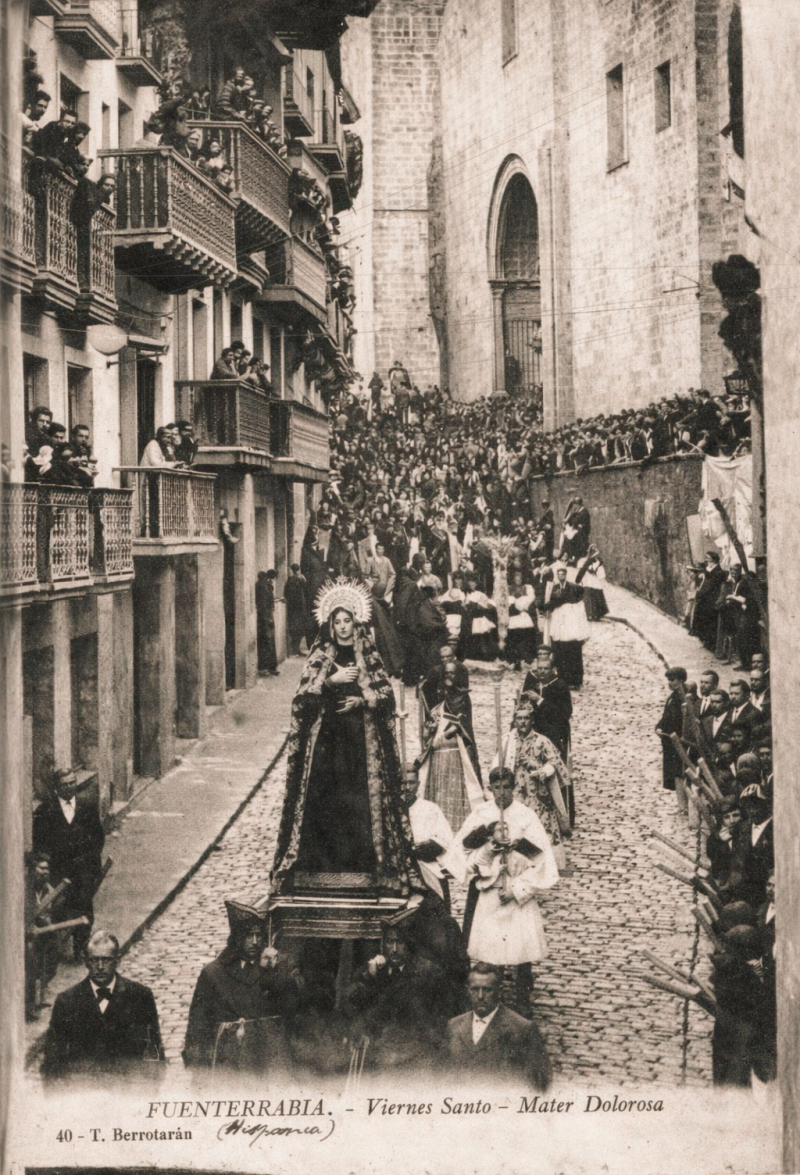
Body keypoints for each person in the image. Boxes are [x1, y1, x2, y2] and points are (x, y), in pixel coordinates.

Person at [271, 579, 423, 896]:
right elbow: (302, 700)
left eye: (347, 620)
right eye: (337, 622)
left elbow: (386, 696)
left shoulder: (367, 652)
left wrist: (362, 700)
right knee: (327, 804)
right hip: (326, 745)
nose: (342, 627)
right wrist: (330, 680)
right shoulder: (321, 655)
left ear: (356, 620)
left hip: (360, 744)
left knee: (360, 806)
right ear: (330, 623)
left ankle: (367, 872)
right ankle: (320, 874)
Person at [445, 767, 559, 1013]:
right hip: (490, 892)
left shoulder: (526, 817)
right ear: (490, 789)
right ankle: (490, 998)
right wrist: (488, 850)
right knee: (490, 949)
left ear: (514, 787)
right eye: (497, 788)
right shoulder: (481, 814)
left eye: (507, 787)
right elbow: (463, 852)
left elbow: (541, 861)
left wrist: (518, 888)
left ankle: (522, 997)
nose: (502, 793)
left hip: (517, 892)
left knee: (520, 948)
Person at [183, 901, 300, 1072]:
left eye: (258, 935)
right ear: (236, 937)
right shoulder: (213, 973)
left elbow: (293, 1005)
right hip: (229, 1061)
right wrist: (196, 1065)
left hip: (268, 1062)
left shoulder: (279, 965)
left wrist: (273, 973)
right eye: (247, 936)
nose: (254, 942)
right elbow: (198, 1024)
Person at [42, 930, 164, 1080]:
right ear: (85, 961)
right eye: (94, 960)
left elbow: (154, 1052)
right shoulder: (67, 1001)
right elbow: (52, 1062)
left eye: (106, 960)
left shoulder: (140, 996)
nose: (100, 966)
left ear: (117, 961)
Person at [33, 767, 104, 960]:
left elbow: (98, 837)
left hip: (83, 869)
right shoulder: (45, 810)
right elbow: (39, 841)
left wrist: (91, 864)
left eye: (72, 782)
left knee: (83, 906)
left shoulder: (87, 806)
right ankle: (57, 949)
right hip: (58, 870)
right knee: (60, 908)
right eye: (65, 784)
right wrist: (45, 862)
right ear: (56, 788)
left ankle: (81, 948)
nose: (70, 787)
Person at [442, 963, 551, 1089]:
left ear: (499, 991)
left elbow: (540, 1082)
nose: (481, 996)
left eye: (487, 990)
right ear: (468, 990)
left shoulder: (522, 1029)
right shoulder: (454, 1026)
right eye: (475, 989)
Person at [497, 702, 571, 868]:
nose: (522, 722)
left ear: (532, 721)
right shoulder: (508, 742)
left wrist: (539, 768)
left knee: (540, 826)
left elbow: (554, 764)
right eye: (519, 718)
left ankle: (543, 862)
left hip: (538, 794)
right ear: (514, 721)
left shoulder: (542, 741)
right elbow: (497, 763)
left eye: (526, 718)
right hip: (516, 792)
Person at [419, 661, 484, 833]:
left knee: (455, 795)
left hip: (454, 755)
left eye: (452, 673)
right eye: (446, 673)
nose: (449, 676)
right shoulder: (436, 696)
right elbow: (428, 729)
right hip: (437, 757)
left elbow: (461, 725)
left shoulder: (461, 697)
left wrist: (444, 734)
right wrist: (429, 730)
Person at [404, 765, 455, 909]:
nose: (407, 787)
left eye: (411, 782)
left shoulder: (430, 809)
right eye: (403, 782)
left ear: (418, 784)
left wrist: (428, 845)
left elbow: (445, 841)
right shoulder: (391, 810)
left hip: (426, 866)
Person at [521, 647, 573, 763]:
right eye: (540, 669)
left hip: (553, 731)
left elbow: (565, 713)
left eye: (546, 669)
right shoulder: (533, 684)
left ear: (553, 669)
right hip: (534, 729)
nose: (542, 672)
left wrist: (540, 701)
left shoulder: (560, 686)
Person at [542, 565, 589, 688]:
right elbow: (552, 601)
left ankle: (575, 680)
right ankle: (563, 679)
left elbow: (576, 597)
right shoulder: (555, 588)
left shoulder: (572, 589)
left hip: (569, 623)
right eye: (559, 575)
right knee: (561, 651)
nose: (561, 576)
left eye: (563, 574)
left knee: (573, 650)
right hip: (560, 622)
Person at [656, 667, 688, 809]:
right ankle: (681, 805)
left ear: (681, 680)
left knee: (679, 774)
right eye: (668, 680)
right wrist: (659, 726)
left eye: (672, 680)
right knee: (675, 774)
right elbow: (666, 716)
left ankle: (683, 806)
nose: (669, 683)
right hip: (669, 741)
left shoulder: (683, 697)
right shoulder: (673, 696)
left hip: (677, 742)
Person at [691, 551, 727, 650]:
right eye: (706, 559)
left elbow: (710, 585)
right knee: (703, 620)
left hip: (712, 599)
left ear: (714, 560)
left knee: (711, 621)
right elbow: (702, 574)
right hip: (705, 599)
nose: (707, 561)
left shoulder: (718, 571)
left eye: (709, 559)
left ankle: (711, 644)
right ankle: (705, 641)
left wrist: (700, 592)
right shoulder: (707, 569)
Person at [505, 568, 537, 669]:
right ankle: (515, 661)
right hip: (513, 618)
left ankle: (526, 659)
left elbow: (529, 600)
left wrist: (519, 603)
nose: (518, 578)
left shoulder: (527, 588)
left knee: (525, 638)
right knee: (513, 639)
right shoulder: (509, 588)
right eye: (516, 576)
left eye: (520, 576)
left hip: (523, 616)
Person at [255, 569, 279, 676]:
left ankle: (269, 667)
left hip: (266, 618)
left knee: (267, 642)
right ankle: (268, 667)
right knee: (267, 642)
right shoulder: (263, 587)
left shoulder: (263, 585)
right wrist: (268, 619)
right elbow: (265, 604)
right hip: (266, 618)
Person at [284, 563, 308, 656]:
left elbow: (286, 593)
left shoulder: (290, 579)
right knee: (298, 628)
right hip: (299, 607)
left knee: (295, 628)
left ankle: (295, 649)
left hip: (293, 607)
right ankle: (295, 649)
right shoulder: (300, 578)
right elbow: (306, 590)